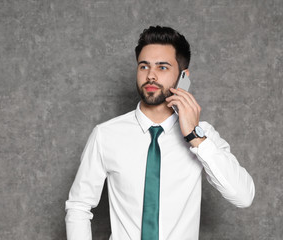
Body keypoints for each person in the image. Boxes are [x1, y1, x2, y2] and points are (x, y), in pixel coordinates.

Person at [65, 26, 255, 240]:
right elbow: (78, 206)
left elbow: (244, 196)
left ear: (184, 76)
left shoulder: (203, 135)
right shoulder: (105, 135)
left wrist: (195, 138)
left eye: (162, 67)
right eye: (144, 66)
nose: (151, 76)